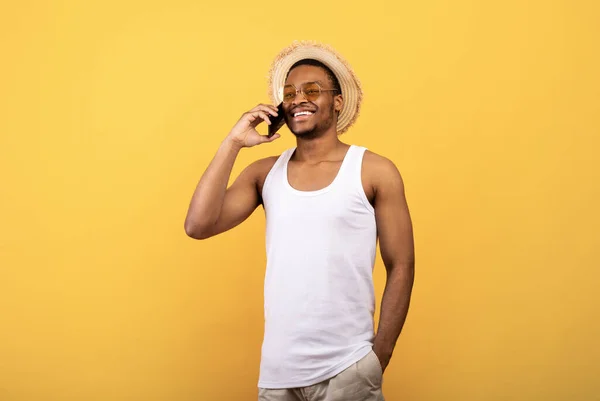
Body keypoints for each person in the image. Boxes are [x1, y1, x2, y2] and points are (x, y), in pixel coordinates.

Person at [184, 41, 415, 401]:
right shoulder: (265, 173)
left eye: (312, 90)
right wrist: (232, 142)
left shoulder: (373, 171)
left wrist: (378, 356)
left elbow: (401, 265)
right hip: (278, 376)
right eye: (289, 92)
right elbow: (198, 225)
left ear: (337, 101)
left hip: (348, 370)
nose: (297, 99)